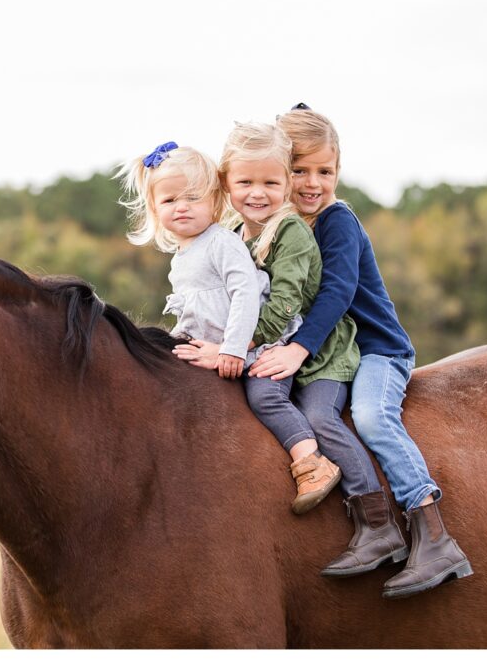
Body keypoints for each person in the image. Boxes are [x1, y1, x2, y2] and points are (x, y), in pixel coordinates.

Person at [249, 105, 473, 599]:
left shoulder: (336, 221)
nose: (312, 183)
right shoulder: (282, 226)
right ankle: (372, 528)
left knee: (371, 417)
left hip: (376, 352)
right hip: (334, 356)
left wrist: (297, 350)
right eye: (299, 171)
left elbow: (338, 292)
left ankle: (432, 532)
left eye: (324, 171)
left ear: (338, 173)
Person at [176, 123, 409, 579]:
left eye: (272, 182)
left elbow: (300, 301)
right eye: (245, 182)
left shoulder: (306, 230)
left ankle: (380, 517)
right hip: (286, 348)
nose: (258, 193)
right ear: (226, 184)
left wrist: (234, 349)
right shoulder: (234, 234)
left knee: (342, 417)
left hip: (337, 352)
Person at [117, 139, 339, 514]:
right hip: (223, 346)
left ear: (215, 201)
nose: (181, 207)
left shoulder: (222, 243)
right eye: (169, 201)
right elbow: (199, 313)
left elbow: (246, 296)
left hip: (260, 346)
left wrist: (235, 349)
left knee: (265, 397)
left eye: (192, 198)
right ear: (155, 209)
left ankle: (312, 459)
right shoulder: (183, 256)